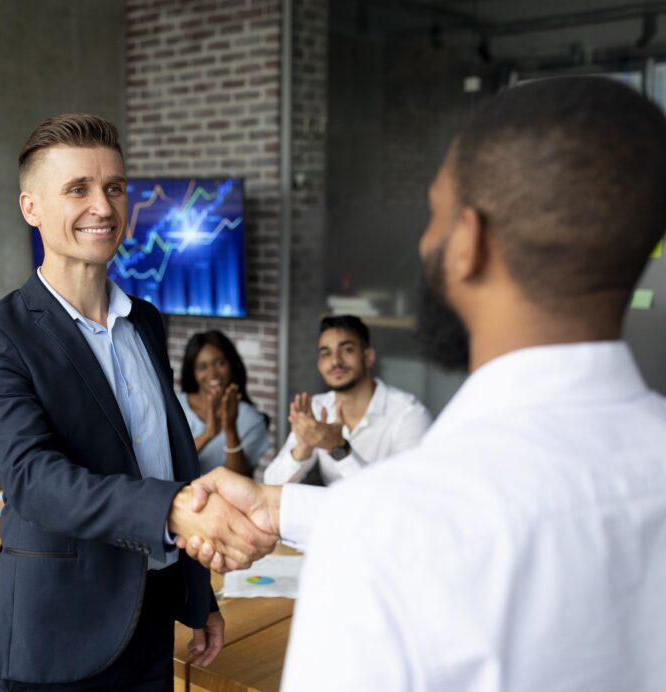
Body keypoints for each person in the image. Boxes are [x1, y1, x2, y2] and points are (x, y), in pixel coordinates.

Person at [183, 77, 666, 691]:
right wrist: (282, 507)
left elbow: (412, 527)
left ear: (470, 243)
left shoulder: (389, 531)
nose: (423, 241)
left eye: (434, 214)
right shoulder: (397, 521)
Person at [0, 113, 275, 690]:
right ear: (31, 207)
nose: (102, 206)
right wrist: (173, 509)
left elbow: (166, 459)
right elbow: (33, 480)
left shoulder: (146, 321)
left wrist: (198, 595)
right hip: (56, 638)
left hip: (149, 622)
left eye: (114, 187)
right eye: (77, 189)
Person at [262, 314, 431, 485]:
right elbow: (271, 483)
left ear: (368, 357)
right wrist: (303, 448)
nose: (335, 361)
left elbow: (405, 495)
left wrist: (339, 449)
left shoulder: (408, 414)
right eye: (325, 353)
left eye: (347, 349)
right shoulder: (317, 409)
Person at [177, 330, 270, 476]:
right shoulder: (175, 406)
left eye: (220, 363)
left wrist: (231, 430)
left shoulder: (252, 419)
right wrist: (208, 434)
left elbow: (241, 479)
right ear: (192, 372)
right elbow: (169, 464)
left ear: (232, 365)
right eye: (202, 367)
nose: (213, 373)